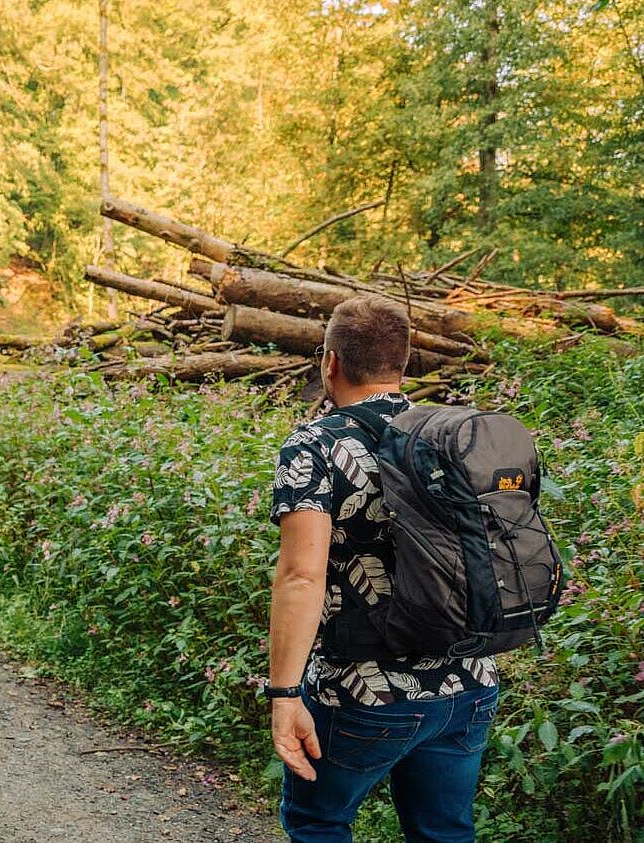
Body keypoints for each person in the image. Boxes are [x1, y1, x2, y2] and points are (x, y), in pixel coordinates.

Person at [267, 295, 499, 842]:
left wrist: (283, 697)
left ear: (331, 362)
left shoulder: (316, 445)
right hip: (470, 682)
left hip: (365, 690)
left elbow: (302, 576)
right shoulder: (452, 435)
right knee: (443, 833)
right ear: (404, 360)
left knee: (318, 821)